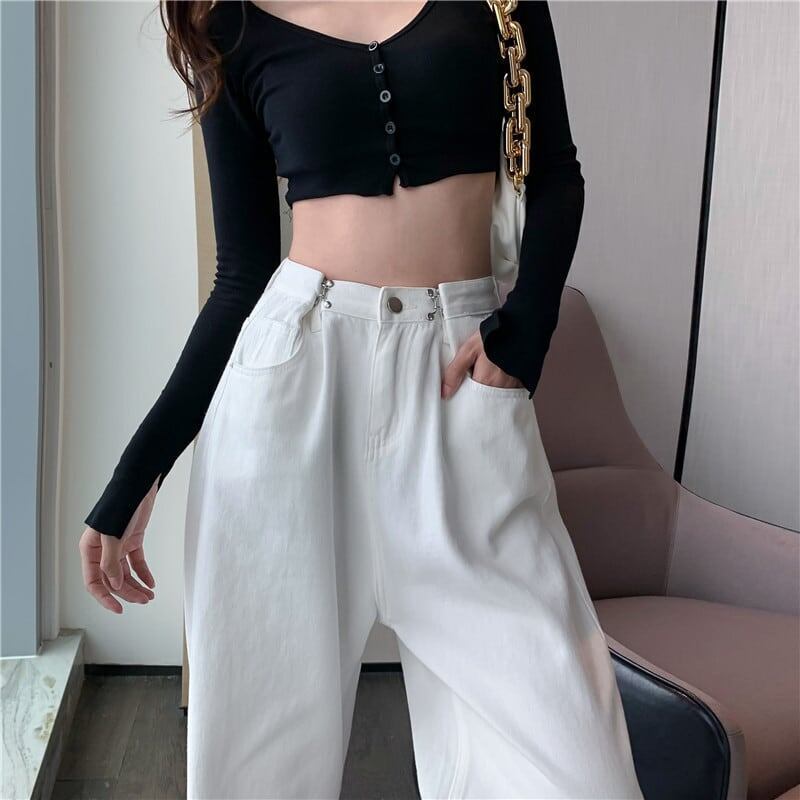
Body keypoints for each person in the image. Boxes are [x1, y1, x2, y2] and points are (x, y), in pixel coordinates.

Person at [79, 1, 646, 798]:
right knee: (257, 767)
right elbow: (241, 275)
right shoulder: (226, 24)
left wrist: (525, 333)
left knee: (575, 763)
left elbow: (555, 171)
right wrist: (137, 475)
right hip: (289, 395)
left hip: (460, 384)